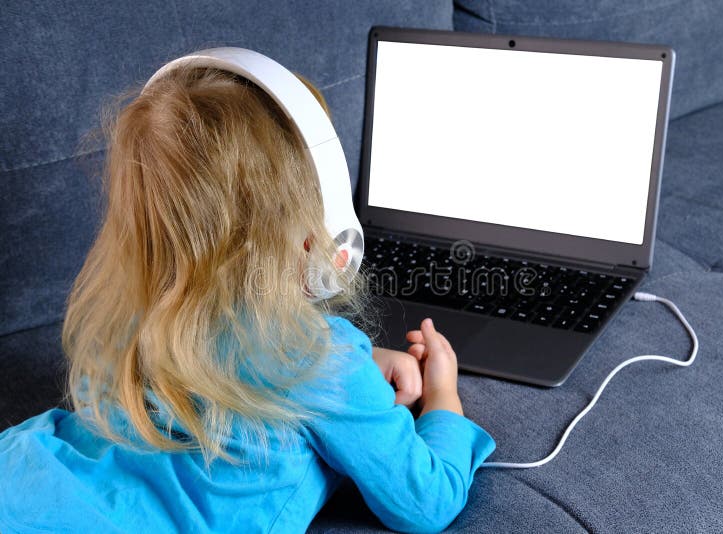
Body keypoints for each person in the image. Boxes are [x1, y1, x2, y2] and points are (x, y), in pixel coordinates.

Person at [0, 60, 494, 533]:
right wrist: (442, 397)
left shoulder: (120, 310)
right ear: (316, 228)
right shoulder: (321, 361)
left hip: (28, 477)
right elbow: (425, 500)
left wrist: (363, 361)